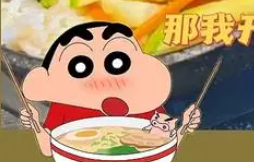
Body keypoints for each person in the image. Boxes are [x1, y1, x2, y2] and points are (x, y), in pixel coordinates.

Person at [19, 21, 201, 157]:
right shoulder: (64, 105)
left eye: (117, 61)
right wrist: (35, 123)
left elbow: (163, 142)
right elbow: (48, 148)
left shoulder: (142, 100)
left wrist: (185, 126)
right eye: (80, 66)